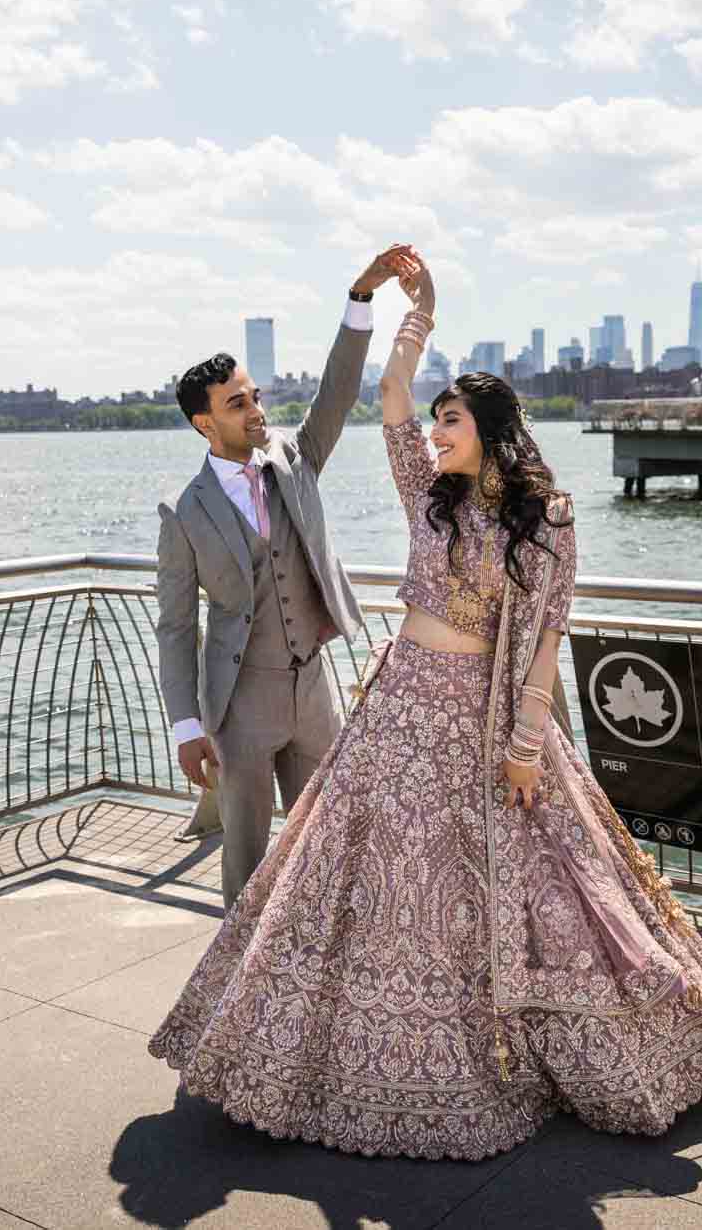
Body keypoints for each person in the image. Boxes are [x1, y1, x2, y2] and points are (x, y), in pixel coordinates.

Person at [150, 249, 702, 1160]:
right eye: (434, 421)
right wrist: (414, 316)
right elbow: (387, 396)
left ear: (492, 430)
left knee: (487, 884)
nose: (433, 432)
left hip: (479, 718)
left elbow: (545, 633)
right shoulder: (426, 500)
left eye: (451, 420)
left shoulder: (546, 520)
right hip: (396, 709)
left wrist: (522, 740)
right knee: (352, 876)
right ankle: (284, 1044)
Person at [154, 244, 412, 908]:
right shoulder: (185, 512)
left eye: (255, 395)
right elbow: (177, 627)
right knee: (246, 860)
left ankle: (322, 973)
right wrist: (187, 727)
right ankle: (243, 990)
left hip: (314, 694)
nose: (256, 409)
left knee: (325, 842)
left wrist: (361, 298)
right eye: (238, 403)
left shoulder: (294, 458)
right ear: (204, 421)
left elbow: (336, 393)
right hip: (240, 703)